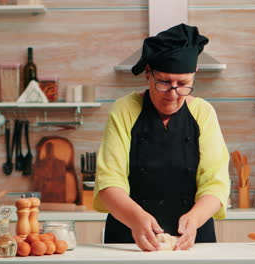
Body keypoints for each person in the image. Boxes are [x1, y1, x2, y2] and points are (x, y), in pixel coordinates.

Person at [93, 24, 230, 251]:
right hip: (130, 239)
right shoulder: (124, 110)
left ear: (194, 76)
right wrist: (136, 218)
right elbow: (109, 183)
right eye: (164, 83)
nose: (173, 94)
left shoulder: (203, 113)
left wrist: (195, 219)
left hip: (193, 241)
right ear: (148, 73)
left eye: (183, 84)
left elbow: (216, 183)